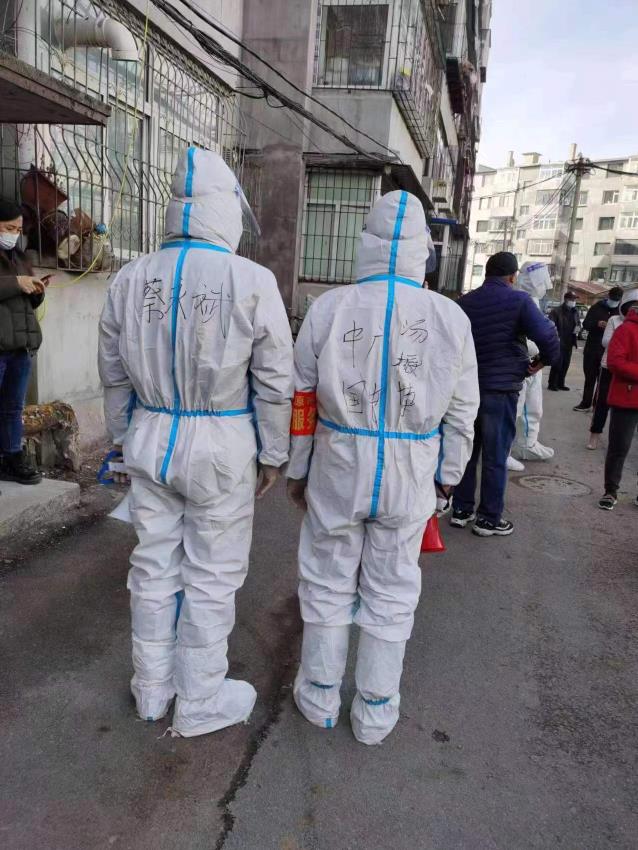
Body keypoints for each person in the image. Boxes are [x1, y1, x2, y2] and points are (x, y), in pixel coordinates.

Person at [98, 149, 293, 736]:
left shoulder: (129, 278)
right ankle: (200, 698)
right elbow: (275, 380)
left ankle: (151, 690)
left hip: (150, 437)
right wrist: (273, 454)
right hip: (223, 443)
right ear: (225, 210)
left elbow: (113, 373)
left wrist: (122, 439)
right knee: (211, 573)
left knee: (153, 566)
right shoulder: (252, 280)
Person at [286, 190, 479, 745]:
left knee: (326, 581)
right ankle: (374, 712)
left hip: (337, 464)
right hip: (411, 468)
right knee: (392, 589)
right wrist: (448, 475)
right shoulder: (449, 317)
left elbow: (302, 399)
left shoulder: (329, 308)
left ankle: (320, 696)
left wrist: (298, 468)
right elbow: (463, 410)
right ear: (424, 250)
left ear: (365, 242)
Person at [451, 252, 560, 536]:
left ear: (487, 273)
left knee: (466, 450)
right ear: (512, 277)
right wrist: (541, 362)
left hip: (466, 390)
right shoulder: (519, 301)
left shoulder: (464, 303)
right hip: (500, 390)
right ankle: (488, 519)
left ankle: (461, 509)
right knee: (496, 454)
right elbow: (548, 337)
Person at [0, 198, 48, 487]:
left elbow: (25, 303)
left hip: (20, 346)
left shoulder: (19, 257)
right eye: (8, 228)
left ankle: (12, 458)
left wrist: (36, 291)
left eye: (18, 230)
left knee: (13, 407)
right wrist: (16, 283)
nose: (14, 235)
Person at [507, 260, 556, 471]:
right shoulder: (519, 300)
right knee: (516, 409)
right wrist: (540, 348)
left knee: (533, 407)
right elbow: (519, 337)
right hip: (521, 364)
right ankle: (504, 452)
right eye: (541, 280)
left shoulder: (532, 301)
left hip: (534, 363)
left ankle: (528, 443)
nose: (544, 284)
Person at [597, 289, 638, 510]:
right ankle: (610, 491)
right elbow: (615, 362)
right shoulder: (625, 329)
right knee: (619, 447)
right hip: (626, 398)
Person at [587, 291, 634, 449]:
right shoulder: (614, 320)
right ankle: (594, 435)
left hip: (630, 371)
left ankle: (619, 441)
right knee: (602, 402)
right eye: (633, 306)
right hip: (609, 367)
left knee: (625, 409)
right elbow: (606, 341)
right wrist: (626, 340)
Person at [573, 286, 623, 412]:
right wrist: (597, 323)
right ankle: (586, 403)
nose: (614, 301)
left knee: (604, 381)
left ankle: (598, 405)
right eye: (613, 298)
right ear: (608, 296)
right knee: (589, 378)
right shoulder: (597, 307)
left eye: (617, 300)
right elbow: (586, 324)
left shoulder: (620, 311)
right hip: (592, 348)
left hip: (608, 351)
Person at [548, 291, 580, 391]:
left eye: (574, 299)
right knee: (557, 363)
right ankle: (552, 384)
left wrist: (578, 328)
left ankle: (561, 383)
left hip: (569, 341)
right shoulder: (556, 311)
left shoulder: (575, 311)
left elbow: (578, 323)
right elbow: (550, 325)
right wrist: (555, 337)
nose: (574, 301)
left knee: (566, 364)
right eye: (572, 299)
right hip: (559, 340)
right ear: (566, 299)